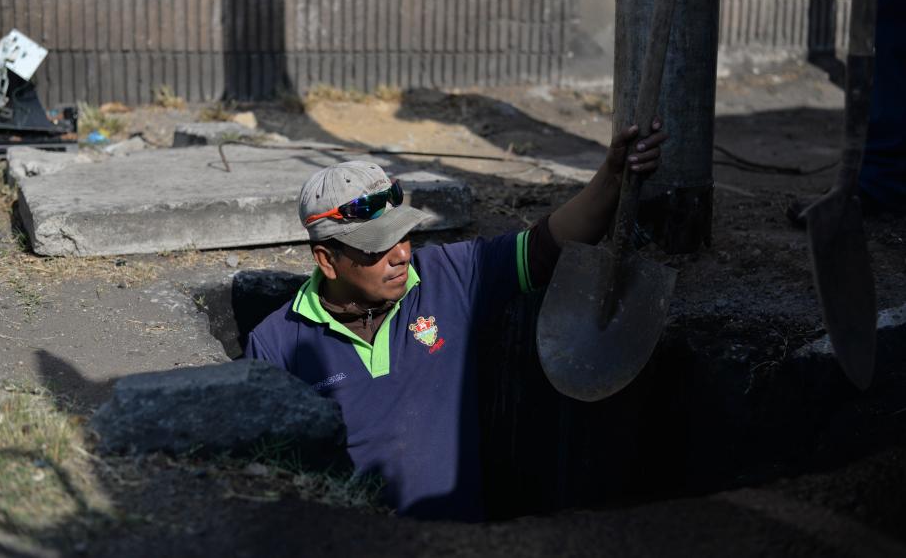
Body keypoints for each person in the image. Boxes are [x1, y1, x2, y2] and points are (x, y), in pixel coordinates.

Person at [245, 120, 667, 521]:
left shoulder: (449, 276)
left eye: (403, 235)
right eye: (377, 247)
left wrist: (612, 176)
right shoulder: (276, 345)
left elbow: (549, 245)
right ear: (327, 260)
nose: (402, 255)